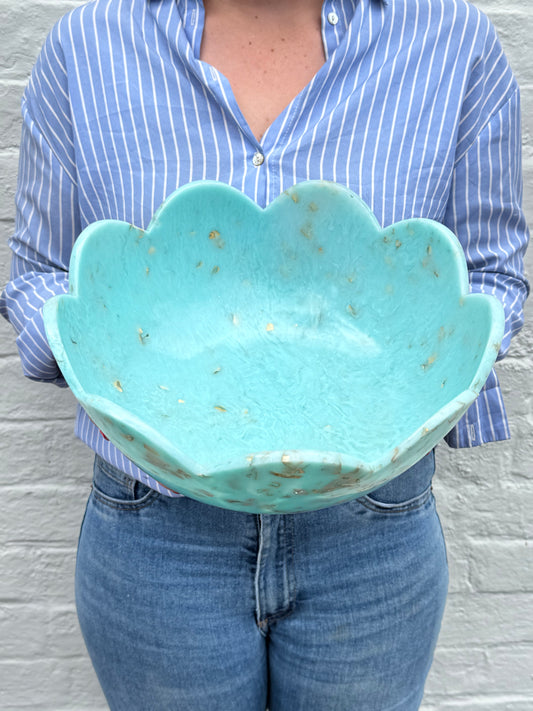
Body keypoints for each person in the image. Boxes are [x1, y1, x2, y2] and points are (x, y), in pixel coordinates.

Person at [1, 0, 529, 709]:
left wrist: (415, 362)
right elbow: (39, 274)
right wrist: (111, 354)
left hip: (370, 531)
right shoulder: (89, 46)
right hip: (157, 528)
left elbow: (494, 272)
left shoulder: (450, 42)